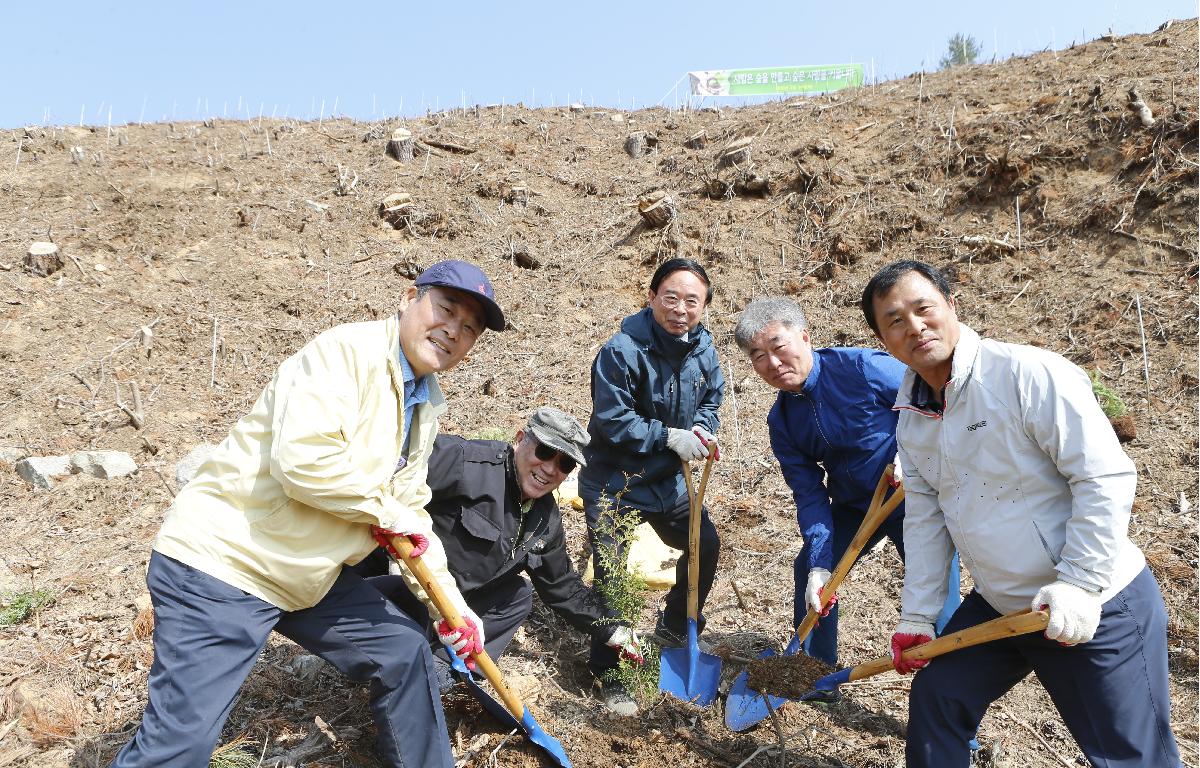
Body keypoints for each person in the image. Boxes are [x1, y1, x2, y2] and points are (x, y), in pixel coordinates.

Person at [112, 260, 506, 768]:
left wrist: (455, 611)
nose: (453, 330)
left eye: (470, 327)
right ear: (410, 298)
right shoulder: (347, 354)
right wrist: (388, 512)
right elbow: (303, 463)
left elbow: (410, 513)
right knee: (180, 748)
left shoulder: (424, 402)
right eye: (446, 309)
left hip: (305, 572)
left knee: (402, 652)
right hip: (228, 562)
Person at [862, 260, 1180, 767]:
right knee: (938, 698)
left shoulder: (1025, 374)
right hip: (1003, 605)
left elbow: (1103, 476)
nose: (915, 327)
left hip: (1096, 602)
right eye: (895, 320)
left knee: (1130, 756)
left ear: (950, 305)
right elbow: (926, 520)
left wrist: (1079, 582)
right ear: (883, 339)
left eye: (923, 309)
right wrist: (919, 617)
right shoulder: (914, 418)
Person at [733, 297, 959, 694]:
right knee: (812, 573)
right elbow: (809, 495)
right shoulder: (782, 420)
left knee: (937, 595)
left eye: (778, 346)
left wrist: (916, 451)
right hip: (856, 505)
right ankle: (816, 677)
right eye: (758, 356)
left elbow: (934, 396)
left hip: (916, 498)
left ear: (804, 337)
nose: (772, 363)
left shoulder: (860, 367)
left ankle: (953, 699)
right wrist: (821, 561)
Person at [357, 407, 647, 703]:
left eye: (565, 464)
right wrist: (392, 550)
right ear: (520, 439)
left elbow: (562, 587)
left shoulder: (545, 520)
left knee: (518, 595)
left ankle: (442, 671)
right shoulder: (465, 462)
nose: (550, 469)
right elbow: (390, 475)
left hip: (457, 605)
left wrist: (613, 630)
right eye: (545, 451)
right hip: (403, 584)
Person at [579, 257, 725, 715]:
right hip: (615, 482)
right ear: (652, 298)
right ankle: (609, 670)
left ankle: (677, 626)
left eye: (692, 301)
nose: (680, 309)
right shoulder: (621, 350)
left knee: (706, 546)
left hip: (671, 483)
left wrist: (701, 429)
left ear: (703, 308)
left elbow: (711, 398)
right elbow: (613, 421)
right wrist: (669, 437)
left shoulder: (704, 349)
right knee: (612, 577)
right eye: (671, 298)